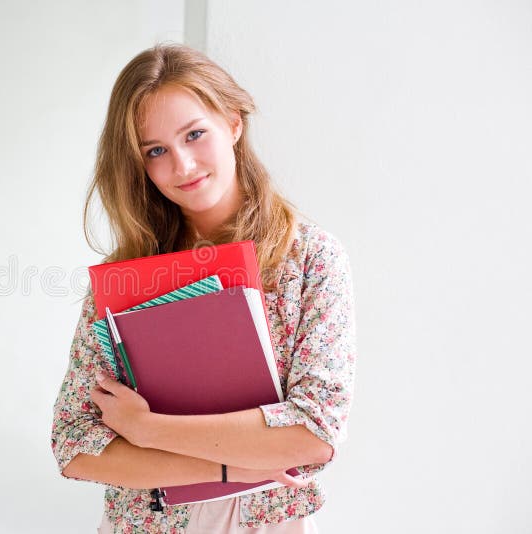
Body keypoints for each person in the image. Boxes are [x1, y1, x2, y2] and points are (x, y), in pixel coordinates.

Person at [50, 43, 356, 533]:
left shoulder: (311, 258)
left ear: (233, 121)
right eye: (156, 151)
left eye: (195, 134)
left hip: (265, 524)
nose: (184, 165)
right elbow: (74, 442)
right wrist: (229, 466)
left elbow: (313, 434)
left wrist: (148, 431)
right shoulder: (126, 275)